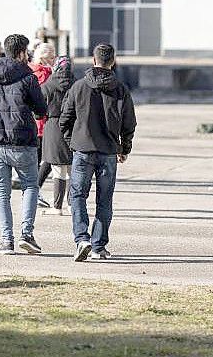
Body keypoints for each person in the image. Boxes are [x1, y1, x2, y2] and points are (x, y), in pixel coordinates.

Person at [60, 43, 137, 262]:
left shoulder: (79, 87)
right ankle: (98, 245)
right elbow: (129, 123)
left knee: (77, 195)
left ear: (94, 60)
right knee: (104, 200)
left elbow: (65, 120)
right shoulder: (121, 89)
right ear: (113, 61)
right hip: (108, 151)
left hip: (83, 150)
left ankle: (81, 238)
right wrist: (124, 148)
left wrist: (72, 142)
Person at [0, 34, 47, 255]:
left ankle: (6, 241)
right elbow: (41, 109)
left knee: (1, 193)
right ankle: (27, 234)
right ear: (23, 52)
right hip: (23, 140)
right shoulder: (28, 76)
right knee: (30, 186)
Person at [39, 55, 75, 215]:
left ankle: (57, 207)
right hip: (74, 127)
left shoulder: (48, 84)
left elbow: (38, 110)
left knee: (58, 169)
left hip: (53, 126)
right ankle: (72, 205)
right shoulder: (77, 84)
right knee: (73, 169)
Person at [29, 42, 55, 206]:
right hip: (43, 123)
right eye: (52, 57)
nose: (54, 60)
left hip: (31, 122)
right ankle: (34, 191)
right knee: (49, 158)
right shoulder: (45, 74)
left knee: (37, 159)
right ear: (44, 57)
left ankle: (32, 191)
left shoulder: (29, 70)